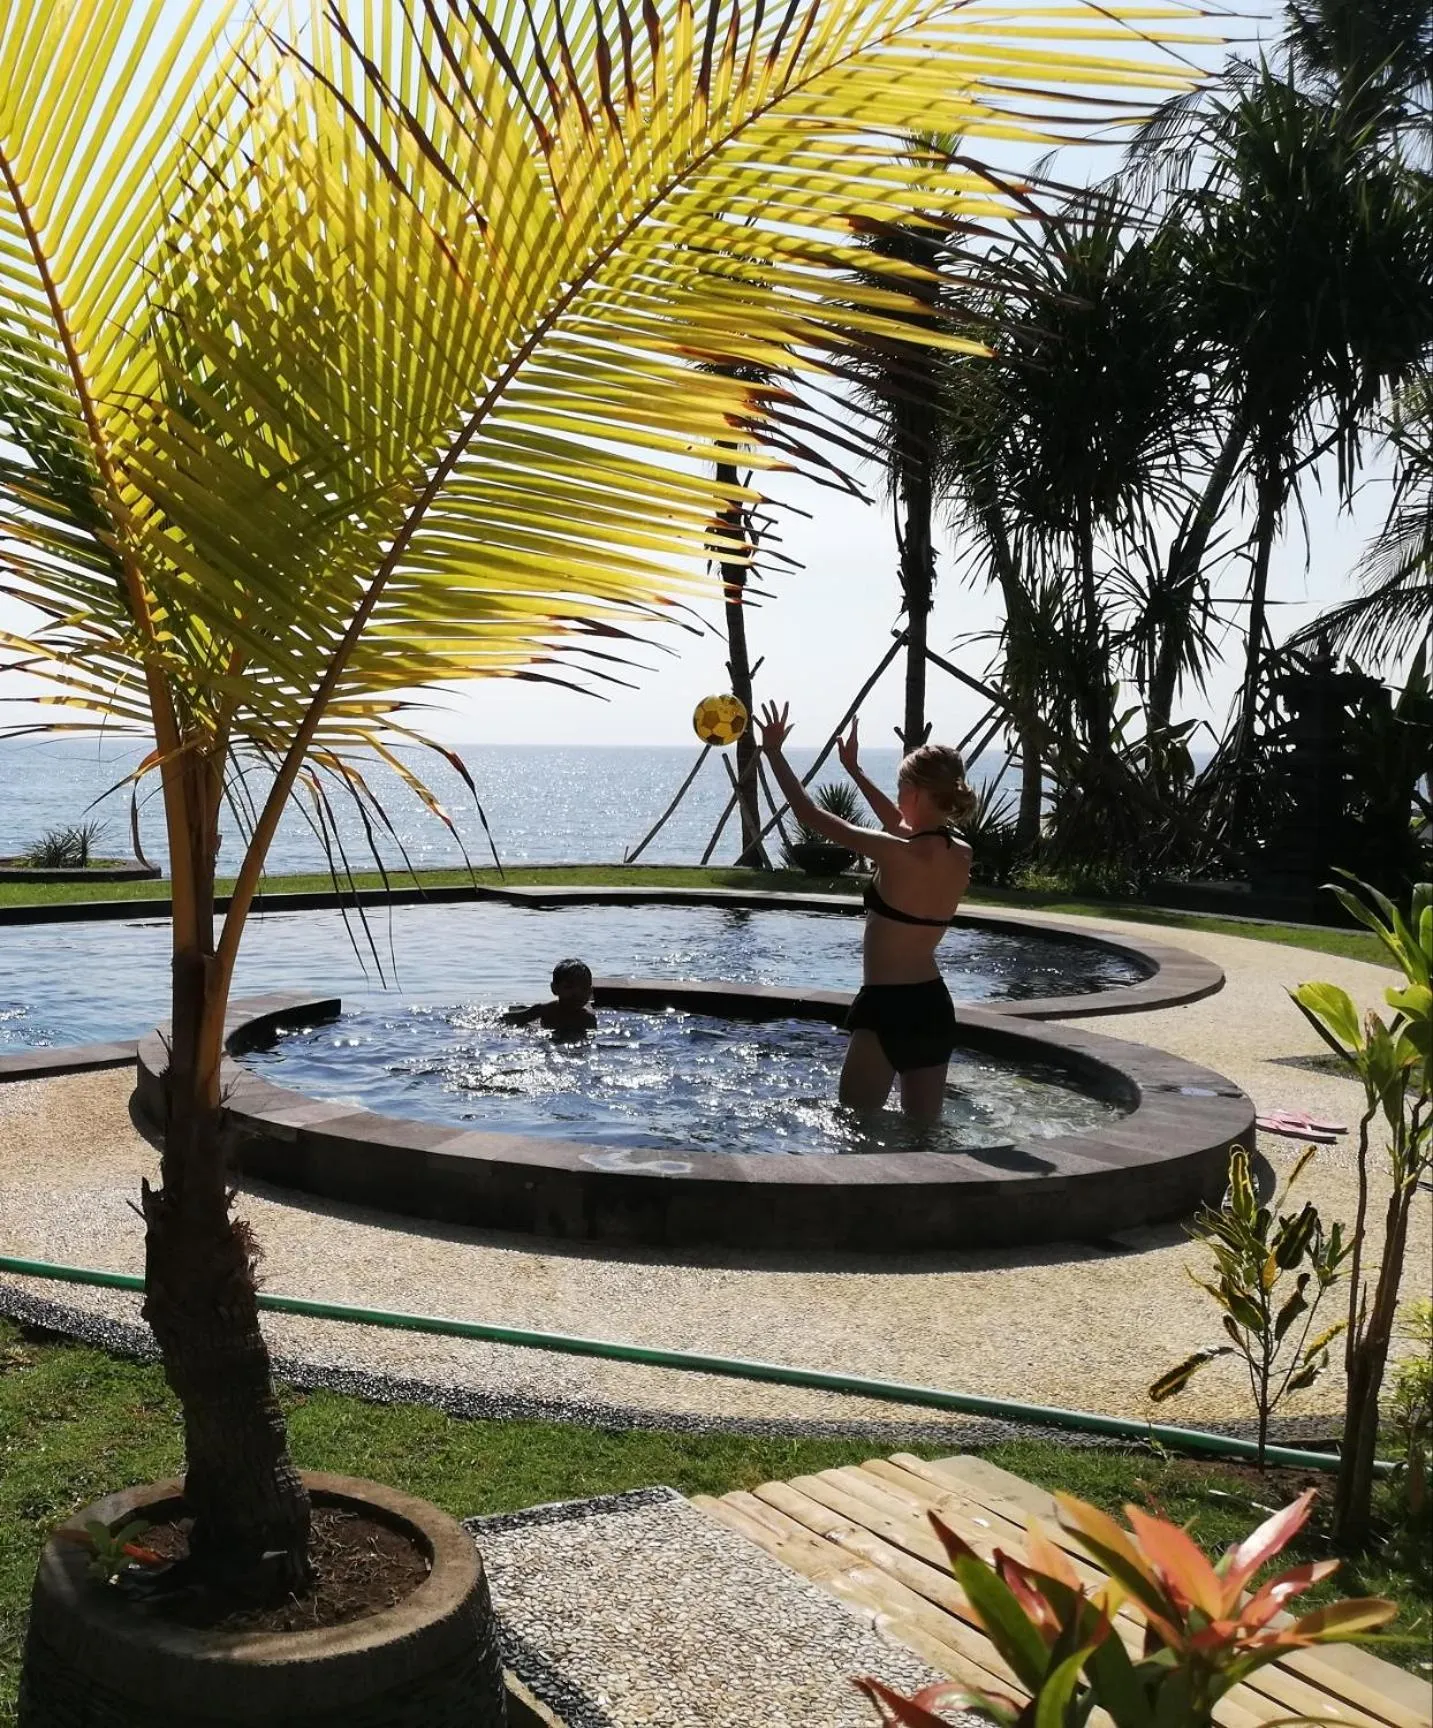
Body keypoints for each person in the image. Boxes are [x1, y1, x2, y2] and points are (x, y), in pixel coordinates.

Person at [759, 704, 975, 1123]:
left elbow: (808, 814)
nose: (897, 799)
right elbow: (903, 824)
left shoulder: (898, 853)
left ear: (913, 792)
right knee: (923, 1137)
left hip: (886, 1005)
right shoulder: (960, 853)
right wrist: (854, 772)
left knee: (853, 1128)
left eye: (899, 790)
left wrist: (774, 753)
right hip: (932, 1006)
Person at [503, 958, 597, 1037]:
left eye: (583, 988)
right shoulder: (544, 1010)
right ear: (554, 989)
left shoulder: (588, 1019)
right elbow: (509, 1019)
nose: (577, 993)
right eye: (569, 987)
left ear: (590, 992)